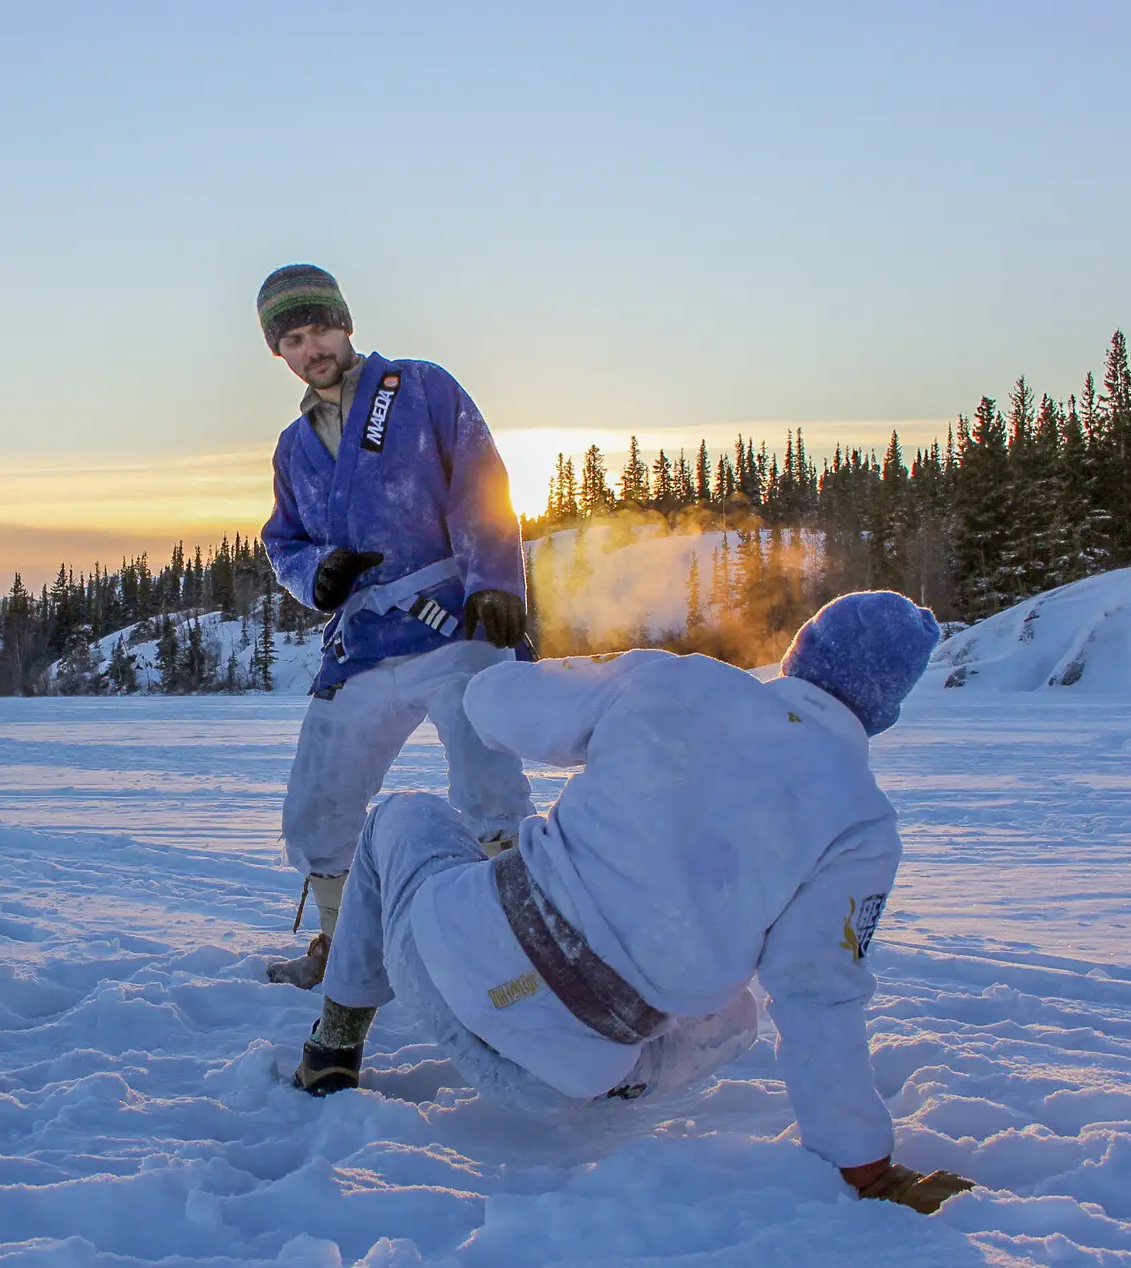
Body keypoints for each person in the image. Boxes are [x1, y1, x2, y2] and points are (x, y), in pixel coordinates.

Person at [287, 590, 978, 1215]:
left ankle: (333, 1047)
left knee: (401, 816)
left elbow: (490, 706)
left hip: (440, 968)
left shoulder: (680, 679)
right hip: (554, 1088)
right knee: (736, 1015)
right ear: (884, 708)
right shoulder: (862, 824)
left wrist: (506, 654)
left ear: (803, 649)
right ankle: (612, 1085)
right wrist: (868, 1171)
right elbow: (819, 1000)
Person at [257, 263, 536, 988]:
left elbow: (482, 480)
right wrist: (314, 573)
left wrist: (497, 581)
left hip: (452, 621)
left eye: (319, 327)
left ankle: (513, 934)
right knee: (317, 800)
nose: (311, 346)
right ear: (278, 352)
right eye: (293, 337)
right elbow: (282, 541)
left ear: (345, 324)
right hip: (363, 643)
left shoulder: (418, 389)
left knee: (488, 779)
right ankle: (339, 938)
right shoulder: (294, 447)